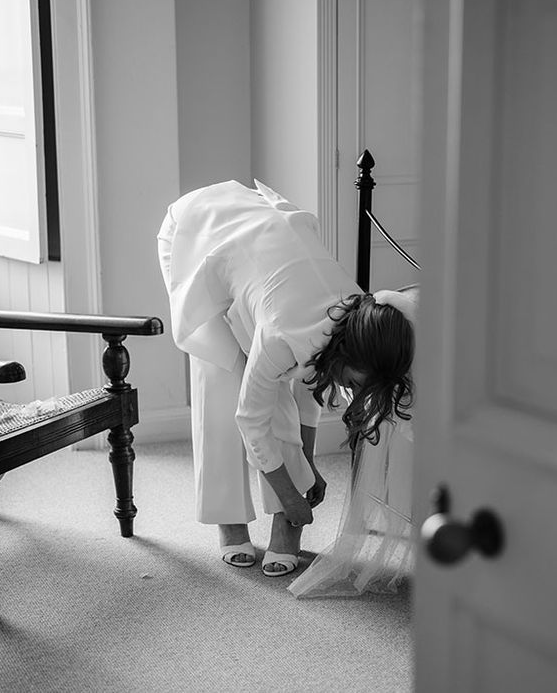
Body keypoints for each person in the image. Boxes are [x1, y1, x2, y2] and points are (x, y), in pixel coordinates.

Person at [157, 179, 414, 576]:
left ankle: (285, 525)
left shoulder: (360, 317)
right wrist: (290, 492)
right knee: (224, 376)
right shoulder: (281, 334)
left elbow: (310, 387)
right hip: (197, 233)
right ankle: (231, 521)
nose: (357, 392)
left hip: (268, 252)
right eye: (359, 383)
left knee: (279, 384)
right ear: (347, 354)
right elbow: (251, 419)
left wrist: (306, 466)